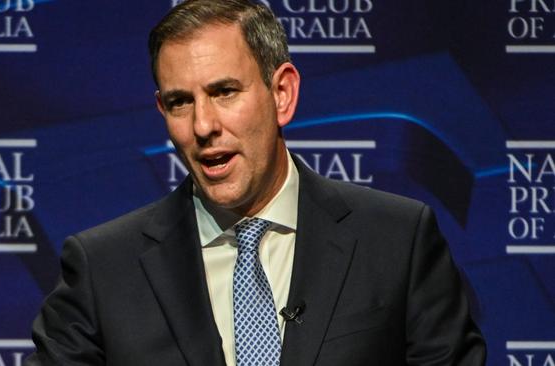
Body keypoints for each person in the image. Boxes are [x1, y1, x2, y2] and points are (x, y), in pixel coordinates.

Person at [25, 0, 486, 365]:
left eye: (224, 92)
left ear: (281, 94)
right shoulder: (103, 269)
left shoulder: (397, 240)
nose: (203, 125)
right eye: (180, 102)